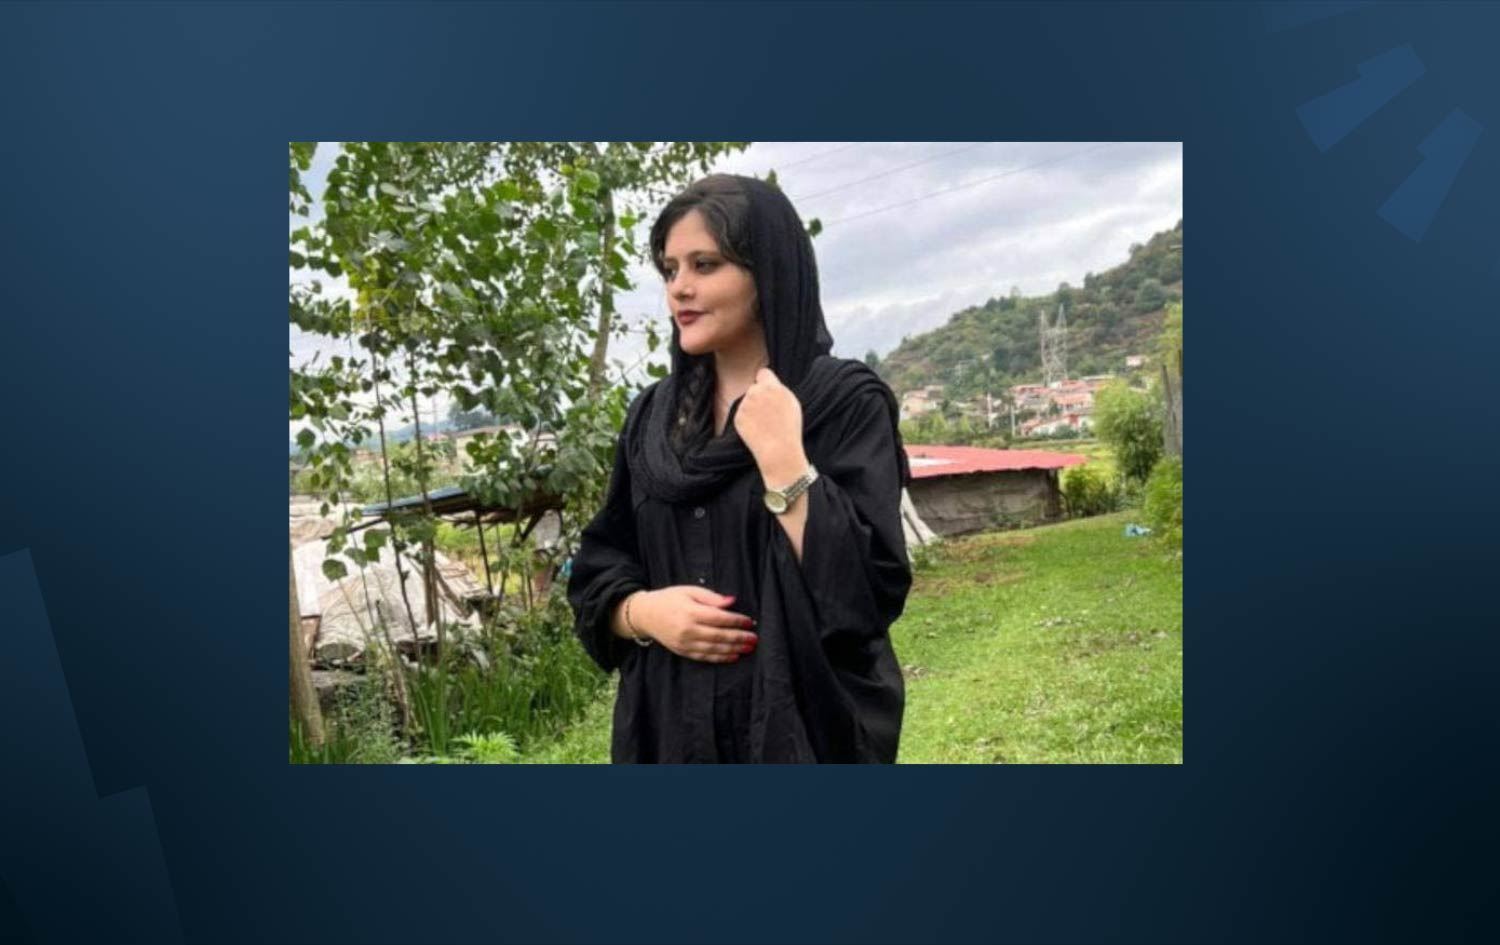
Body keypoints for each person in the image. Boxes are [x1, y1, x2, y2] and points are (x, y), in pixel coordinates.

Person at [566, 173, 913, 763]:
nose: (680, 288)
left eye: (705, 265)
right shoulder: (653, 420)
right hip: (670, 735)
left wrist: (786, 462)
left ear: (767, 273)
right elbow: (600, 566)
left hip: (807, 732)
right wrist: (643, 613)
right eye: (669, 269)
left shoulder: (842, 402)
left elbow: (867, 594)